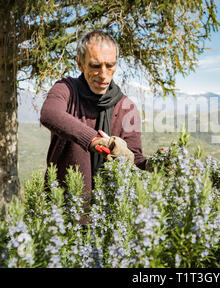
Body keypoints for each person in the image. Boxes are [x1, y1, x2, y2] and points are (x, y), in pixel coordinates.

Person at [40, 29, 147, 204]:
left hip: (109, 213)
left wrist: (155, 164)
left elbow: (134, 159)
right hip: (63, 209)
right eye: (95, 66)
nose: (103, 75)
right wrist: (95, 141)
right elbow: (50, 114)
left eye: (110, 65)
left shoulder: (127, 108)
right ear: (80, 64)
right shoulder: (66, 89)